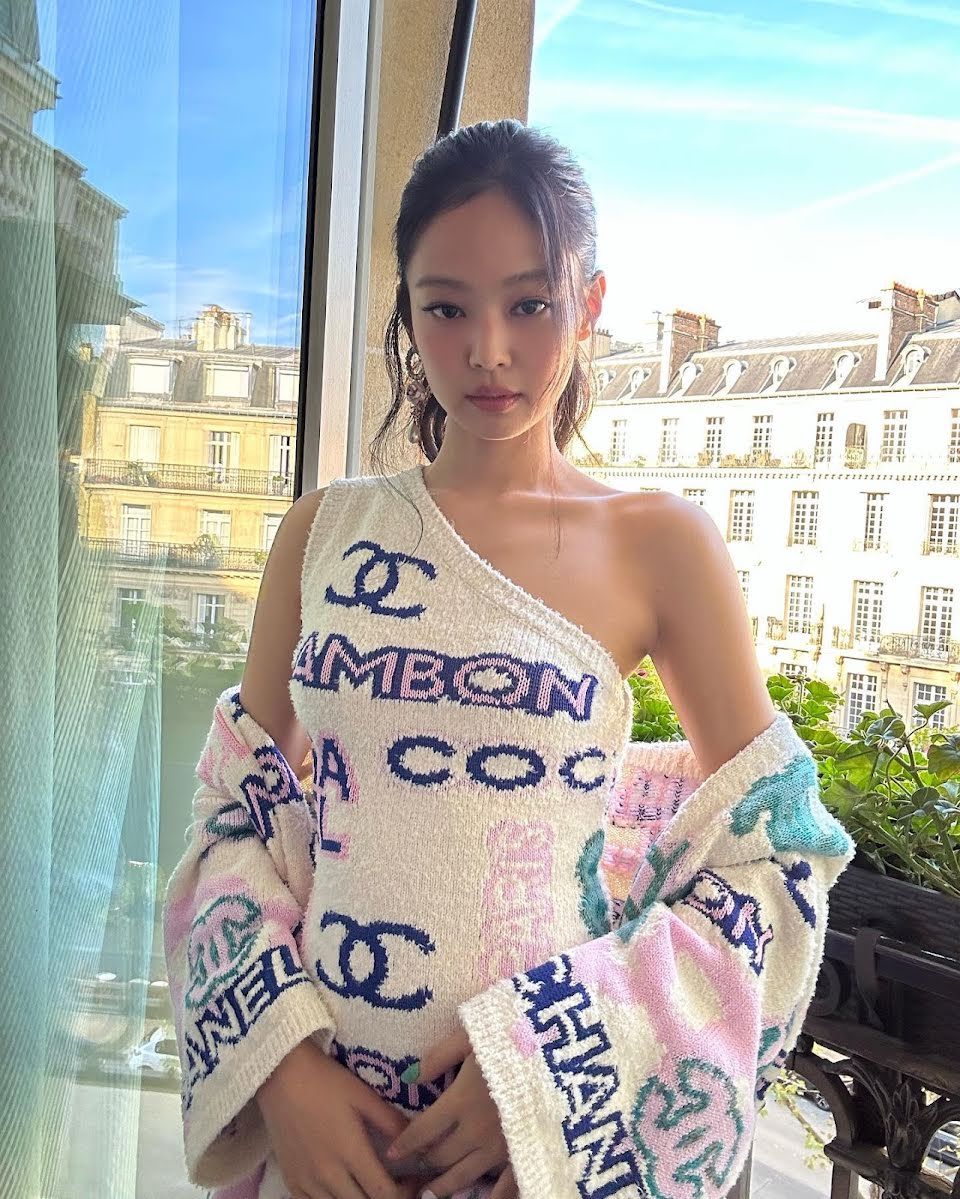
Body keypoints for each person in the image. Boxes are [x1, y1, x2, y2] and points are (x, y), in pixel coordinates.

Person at [163, 120, 853, 1199]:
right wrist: (279, 1064)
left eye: (529, 305)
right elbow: (235, 808)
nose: (488, 350)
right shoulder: (325, 533)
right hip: (325, 1149)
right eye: (446, 307)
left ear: (589, 303)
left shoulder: (658, 543)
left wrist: (553, 1068)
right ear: (407, 314)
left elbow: (779, 850)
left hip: (534, 1152)